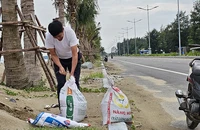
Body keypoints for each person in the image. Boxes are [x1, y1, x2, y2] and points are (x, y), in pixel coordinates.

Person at [45, 20, 82, 106]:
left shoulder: (70, 33)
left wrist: (72, 73)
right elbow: (53, 55)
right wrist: (60, 67)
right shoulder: (49, 37)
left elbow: (74, 54)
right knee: (61, 83)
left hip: (73, 57)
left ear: (63, 30)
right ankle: (62, 107)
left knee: (74, 82)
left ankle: (77, 106)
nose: (58, 39)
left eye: (60, 36)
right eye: (56, 37)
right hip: (59, 59)